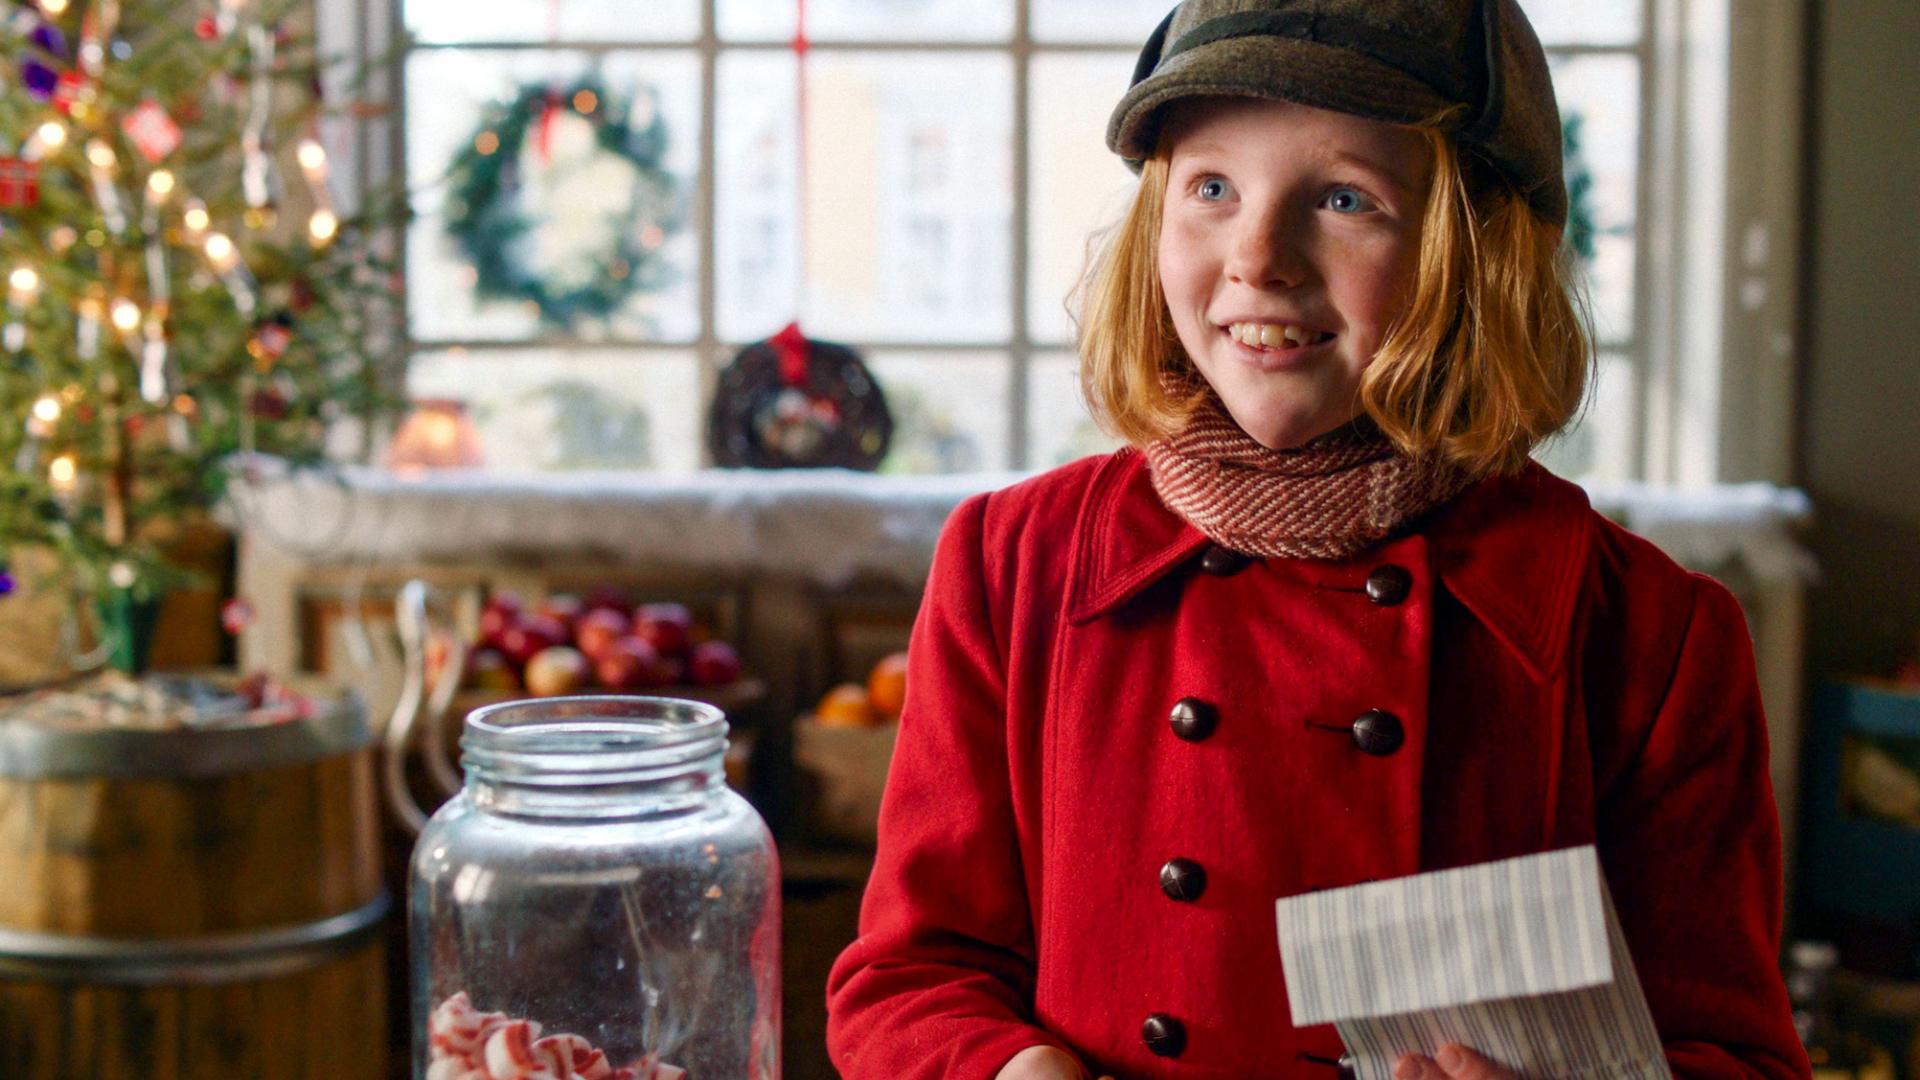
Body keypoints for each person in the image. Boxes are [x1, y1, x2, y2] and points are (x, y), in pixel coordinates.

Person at [826, 2, 1810, 1078]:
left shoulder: (1651, 637)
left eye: (1346, 199)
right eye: (1212, 189)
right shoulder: (1012, 564)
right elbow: (909, 978)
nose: (1259, 258)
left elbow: (1739, 1055)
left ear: (1480, 251)